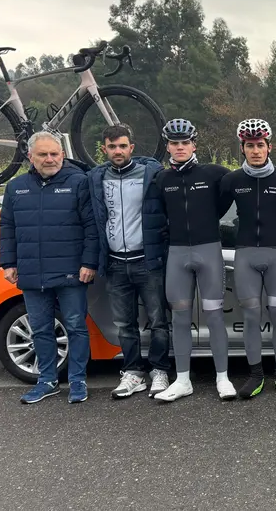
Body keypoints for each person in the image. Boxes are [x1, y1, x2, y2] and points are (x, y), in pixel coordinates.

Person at [0, 131, 98, 404]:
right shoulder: (16, 187)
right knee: (40, 329)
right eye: (43, 154)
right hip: (32, 272)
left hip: (71, 272)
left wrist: (89, 262)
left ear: (62, 155)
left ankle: (78, 381)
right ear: (31, 157)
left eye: (54, 154)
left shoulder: (79, 183)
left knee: (76, 327)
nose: (50, 159)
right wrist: (8, 262)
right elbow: (7, 227)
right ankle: (47, 381)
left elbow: (92, 228)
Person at [219, 118, 276, 399]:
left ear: (269, 146)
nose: (256, 150)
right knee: (250, 317)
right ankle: (256, 375)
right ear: (242, 148)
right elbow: (210, 214)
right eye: (250, 146)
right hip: (245, 255)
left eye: (260, 145)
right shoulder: (232, 180)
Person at [152, 118, 235, 402]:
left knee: (213, 316)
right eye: (174, 143)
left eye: (185, 142)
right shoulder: (162, 179)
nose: (179, 147)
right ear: (168, 147)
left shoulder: (214, 173)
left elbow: (245, 182)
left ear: (194, 144)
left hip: (209, 249)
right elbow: (162, 212)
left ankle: (223, 378)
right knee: (179, 318)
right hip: (177, 253)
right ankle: (183, 380)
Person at [87, 124, 171, 399]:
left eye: (123, 146)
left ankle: (160, 369)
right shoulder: (95, 178)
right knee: (125, 323)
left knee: (158, 320)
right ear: (104, 149)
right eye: (112, 147)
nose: (118, 151)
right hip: (114, 263)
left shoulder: (152, 173)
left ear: (131, 148)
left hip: (147, 261)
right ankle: (133, 372)